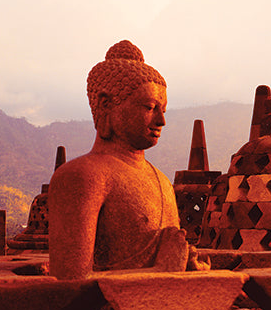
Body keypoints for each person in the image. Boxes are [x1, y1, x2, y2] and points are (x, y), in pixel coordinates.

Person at [49, 40, 196, 279]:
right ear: (106, 105)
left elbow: (170, 262)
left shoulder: (162, 181)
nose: (161, 121)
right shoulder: (82, 176)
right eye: (150, 107)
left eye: (163, 110)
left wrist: (188, 265)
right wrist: (161, 271)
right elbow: (69, 283)